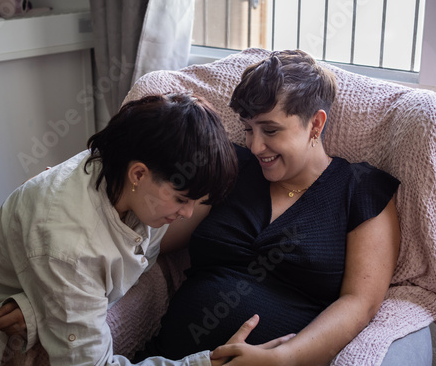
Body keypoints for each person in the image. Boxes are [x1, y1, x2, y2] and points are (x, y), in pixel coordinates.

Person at [132, 50, 401, 365]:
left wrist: (282, 359)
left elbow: (361, 303)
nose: (255, 145)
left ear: (315, 124)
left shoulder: (361, 189)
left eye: (270, 130)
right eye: (248, 129)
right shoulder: (231, 166)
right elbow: (153, 238)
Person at [0, 93, 267, 366]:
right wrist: (204, 364)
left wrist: (40, 307)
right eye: (181, 200)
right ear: (138, 173)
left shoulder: (124, 175)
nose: (187, 213)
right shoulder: (69, 245)